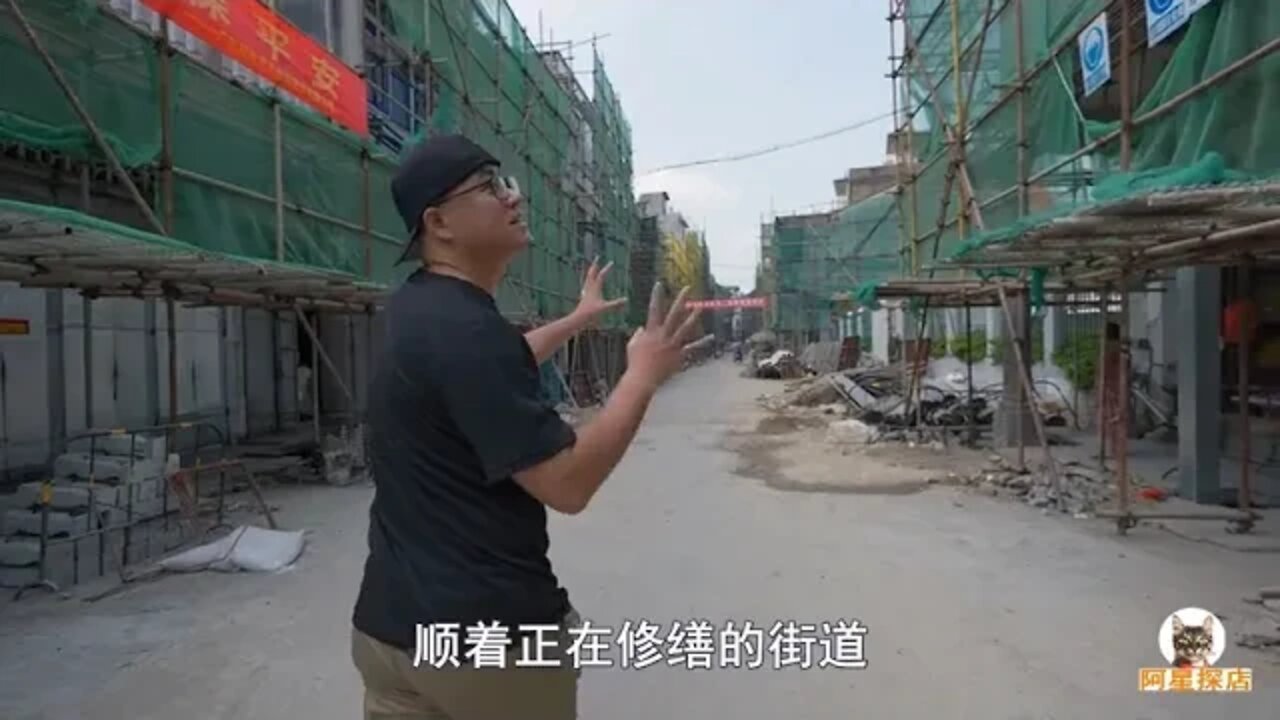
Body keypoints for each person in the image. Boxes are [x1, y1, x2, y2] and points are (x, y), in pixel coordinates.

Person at [349, 133, 703, 719]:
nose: (513, 198)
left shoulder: (418, 307)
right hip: (490, 647)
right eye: (490, 187)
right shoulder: (468, 332)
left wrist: (576, 320)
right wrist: (641, 378)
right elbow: (567, 485)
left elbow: (487, 368)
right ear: (439, 222)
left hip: (390, 637)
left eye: (507, 183)